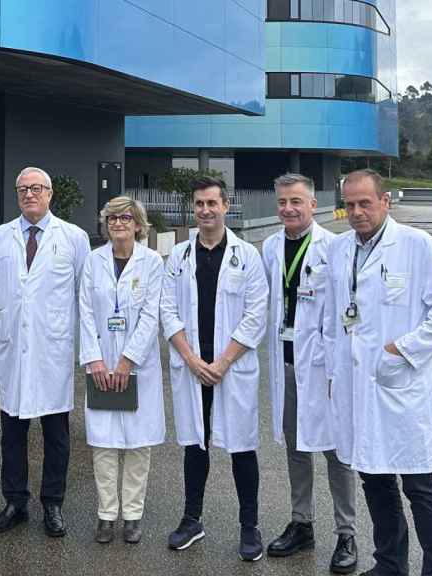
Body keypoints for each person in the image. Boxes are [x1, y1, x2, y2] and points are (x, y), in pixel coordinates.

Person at [324, 169, 432, 576]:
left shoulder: (417, 245)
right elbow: (336, 317)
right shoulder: (339, 250)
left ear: (385, 202)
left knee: (420, 487)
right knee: (375, 480)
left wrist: (400, 350)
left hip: (401, 386)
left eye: (365, 203)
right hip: (358, 387)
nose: (356, 212)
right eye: (349, 204)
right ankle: (389, 564)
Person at [161, 176, 269, 561]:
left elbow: (257, 315)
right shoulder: (179, 256)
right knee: (195, 443)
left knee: (242, 447)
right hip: (192, 367)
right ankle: (192, 520)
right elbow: (167, 309)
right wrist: (192, 359)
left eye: (212, 203)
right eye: (199, 204)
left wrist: (222, 363)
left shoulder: (247, 256)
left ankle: (250, 527)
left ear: (226, 205)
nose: (205, 210)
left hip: (230, 368)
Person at [0, 166, 90, 537]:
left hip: (53, 352)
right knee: (11, 432)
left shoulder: (74, 238)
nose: (29, 194)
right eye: (23, 189)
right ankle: (15, 501)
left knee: (56, 435)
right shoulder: (0, 237)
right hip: (15, 351)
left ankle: (53, 504)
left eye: (37, 188)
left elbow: (84, 295)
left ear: (50, 193)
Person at [261, 173, 358, 573]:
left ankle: (346, 533)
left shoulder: (332, 248)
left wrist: (339, 369)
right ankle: (302, 524)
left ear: (313, 204)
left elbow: (344, 313)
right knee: (296, 447)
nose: (288, 209)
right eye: (283, 201)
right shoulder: (268, 247)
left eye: (296, 201)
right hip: (286, 362)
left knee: (337, 451)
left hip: (322, 366)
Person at [78, 196, 165, 545]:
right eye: (112, 218)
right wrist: (95, 360)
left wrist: (128, 360)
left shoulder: (152, 262)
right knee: (104, 443)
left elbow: (150, 315)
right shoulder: (92, 260)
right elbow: (83, 311)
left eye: (125, 218)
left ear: (138, 224)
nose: (118, 224)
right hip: (101, 364)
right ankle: (105, 514)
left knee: (137, 443)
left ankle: (132, 514)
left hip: (137, 366)